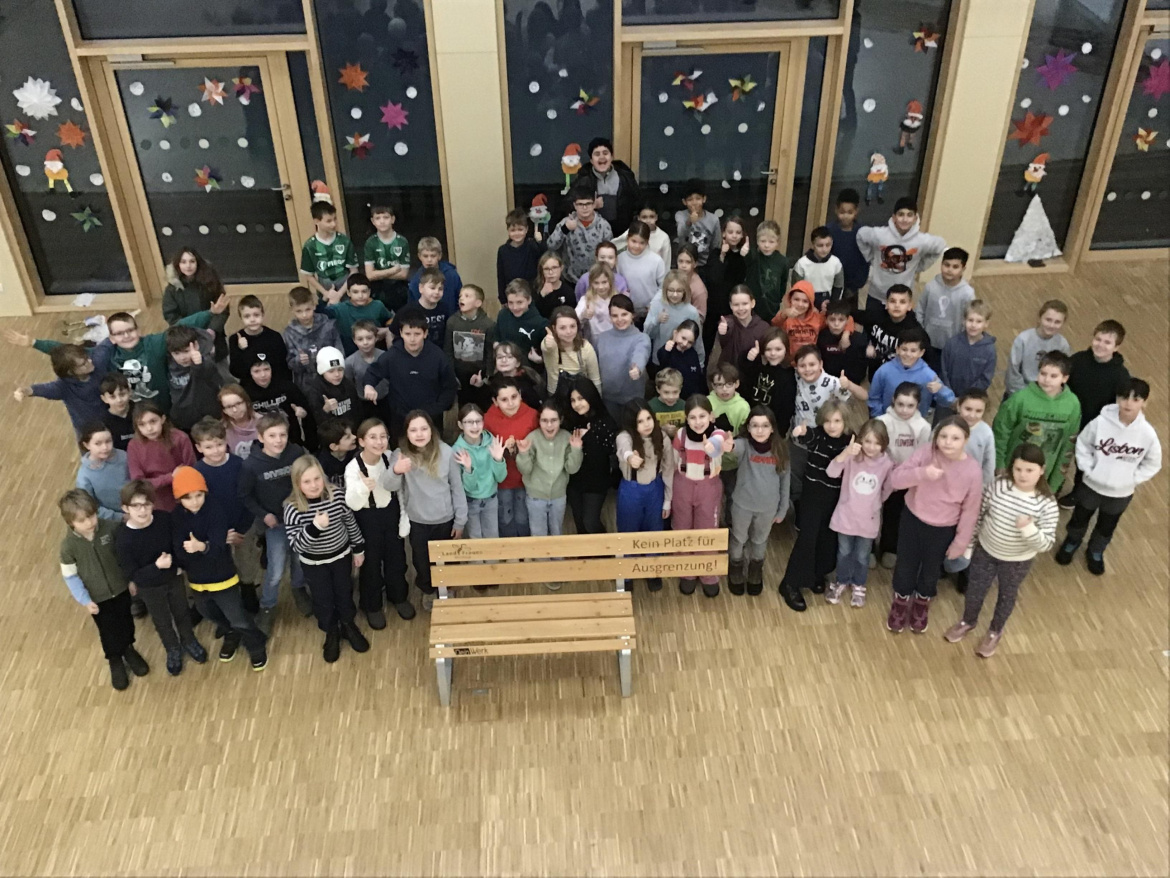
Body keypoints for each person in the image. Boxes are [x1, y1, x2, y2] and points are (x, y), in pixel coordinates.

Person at [944, 444, 1059, 658]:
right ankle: (967, 621)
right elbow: (980, 515)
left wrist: (1029, 529)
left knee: (1007, 595)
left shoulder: (1046, 504)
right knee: (975, 590)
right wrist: (970, 545)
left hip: (1017, 561)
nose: (1023, 475)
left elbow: (1045, 544)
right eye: (1018, 469)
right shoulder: (998, 486)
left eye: (1029, 470)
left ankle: (995, 632)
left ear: (1042, 470)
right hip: (986, 551)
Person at [15, 306, 220, 411]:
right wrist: (34, 342)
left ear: (138, 330)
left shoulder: (153, 344)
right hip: (131, 413)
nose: (126, 336)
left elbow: (180, 326)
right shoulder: (105, 354)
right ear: (111, 338)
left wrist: (209, 313)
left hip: (165, 407)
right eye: (120, 333)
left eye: (130, 330)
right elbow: (68, 351)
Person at [885, 417, 982, 634]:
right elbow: (896, 479)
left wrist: (961, 542)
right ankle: (901, 601)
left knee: (931, 569)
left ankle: (922, 602)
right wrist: (922, 473)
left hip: (943, 529)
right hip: (913, 520)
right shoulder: (925, 453)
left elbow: (970, 510)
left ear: (965, 440)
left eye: (955, 438)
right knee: (906, 565)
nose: (948, 442)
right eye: (943, 436)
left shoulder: (972, 470)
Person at [1056, 378, 1161, 575]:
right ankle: (1072, 541)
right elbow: (1083, 445)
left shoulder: (1147, 434)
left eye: (1136, 399)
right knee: (1080, 517)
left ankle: (1096, 551)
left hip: (1121, 493)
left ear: (1144, 402)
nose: (1128, 403)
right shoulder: (1099, 423)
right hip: (1091, 486)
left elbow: (1153, 463)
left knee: (1107, 525)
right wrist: (1089, 469)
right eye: (1124, 397)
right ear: (1117, 398)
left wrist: (1131, 479)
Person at [171, 466, 267, 670]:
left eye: (198, 495)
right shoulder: (176, 517)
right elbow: (179, 550)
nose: (195, 501)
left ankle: (256, 644)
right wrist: (199, 550)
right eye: (188, 497)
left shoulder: (215, 510)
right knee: (209, 612)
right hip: (197, 580)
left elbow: (217, 548)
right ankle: (232, 632)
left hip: (222, 577)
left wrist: (200, 547)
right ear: (179, 499)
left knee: (237, 616)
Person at [57, 489, 148, 690]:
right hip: (97, 598)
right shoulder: (68, 547)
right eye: (82, 520)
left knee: (126, 621)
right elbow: (70, 577)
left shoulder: (111, 529)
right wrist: (85, 600)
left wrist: (130, 580)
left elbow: (124, 557)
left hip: (121, 589)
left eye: (91, 516)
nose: (89, 522)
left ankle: (128, 648)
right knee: (107, 630)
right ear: (70, 522)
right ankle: (115, 658)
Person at [283, 455, 369, 662]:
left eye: (317, 479)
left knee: (344, 592)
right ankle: (331, 631)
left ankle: (347, 624)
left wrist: (358, 548)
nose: (313, 485)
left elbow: (349, 522)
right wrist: (314, 528)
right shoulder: (292, 508)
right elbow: (297, 545)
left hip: (341, 557)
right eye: (306, 481)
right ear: (297, 484)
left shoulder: (336, 495)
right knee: (323, 598)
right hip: (314, 565)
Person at [115, 479, 205, 675]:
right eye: (136, 506)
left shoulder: (164, 520)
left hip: (173, 578)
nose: (142, 510)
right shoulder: (122, 539)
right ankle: (172, 649)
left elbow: (178, 545)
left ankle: (189, 640)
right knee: (162, 620)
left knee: (182, 612)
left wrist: (178, 565)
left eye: (146, 504)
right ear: (125, 508)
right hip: (150, 588)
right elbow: (133, 574)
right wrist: (157, 567)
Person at [238, 413, 311, 634]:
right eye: (272, 435)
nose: (278, 440)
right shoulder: (251, 465)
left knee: (300, 559)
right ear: (261, 437)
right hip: (275, 525)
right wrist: (264, 515)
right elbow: (245, 496)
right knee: (276, 569)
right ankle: (267, 605)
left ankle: (298, 588)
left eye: (282, 435)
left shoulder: (296, 453)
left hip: (300, 518)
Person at [778, 399, 853, 611]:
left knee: (827, 536)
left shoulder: (850, 439)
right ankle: (790, 583)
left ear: (845, 422)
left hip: (835, 496)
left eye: (837, 421)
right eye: (827, 421)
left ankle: (816, 573)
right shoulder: (818, 435)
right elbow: (806, 434)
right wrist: (800, 431)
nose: (832, 425)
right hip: (813, 494)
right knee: (808, 537)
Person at [391, 410, 467, 612]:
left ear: (431, 430)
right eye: (413, 430)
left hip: (445, 519)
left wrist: (460, 520)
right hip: (418, 521)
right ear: (406, 433)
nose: (419, 434)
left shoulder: (446, 452)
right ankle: (428, 589)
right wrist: (396, 470)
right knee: (422, 561)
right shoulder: (400, 455)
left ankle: (447, 587)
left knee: (449, 559)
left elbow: (457, 488)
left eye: (424, 428)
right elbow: (389, 485)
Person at [344, 418, 414, 626]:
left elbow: (400, 490)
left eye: (383, 436)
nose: (379, 441)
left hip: (391, 514)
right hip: (368, 519)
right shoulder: (353, 468)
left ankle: (398, 596)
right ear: (361, 441)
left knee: (397, 559)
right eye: (373, 437)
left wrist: (404, 518)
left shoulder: (390, 457)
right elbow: (352, 504)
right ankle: (371, 605)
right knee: (371, 565)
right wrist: (363, 488)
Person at [192, 417, 261, 614]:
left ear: (226, 442)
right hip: (216, 532)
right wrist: (220, 533)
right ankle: (228, 599)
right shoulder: (197, 472)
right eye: (209, 447)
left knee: (246, 562)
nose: (215, 450)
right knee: (222, 565)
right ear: (199, 447)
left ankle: (248, 590)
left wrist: (241, 529)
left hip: (243, 526)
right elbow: (201, 507)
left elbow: (248, 497)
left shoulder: (239, 464)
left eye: (219, 444)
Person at [825, 420, 894, 608]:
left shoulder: (887, 464)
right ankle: (841, 580)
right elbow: (831, 472)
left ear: (884, 443)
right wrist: (846, 453)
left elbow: (888, 488)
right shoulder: (852, 457)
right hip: (846, 516)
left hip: (868, 521)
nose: (871, 447)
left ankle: (859, 584)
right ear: (860, 440)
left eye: (877, 443)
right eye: (867, 441)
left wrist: (875, 504)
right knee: (844, 552)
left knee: (862, 556)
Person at [1063, 319, 1131, 506]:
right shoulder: (1077, 360)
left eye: (1107, 342)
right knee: (1061, 456)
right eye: (1098, 339)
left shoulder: (1121, 376)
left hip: (1095, 429)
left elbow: (1119, 408)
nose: (1100, 345)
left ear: (1116, 347)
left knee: (1083, 463)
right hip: (1069, 421)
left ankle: (1078, 493)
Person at [362, 311, 458, 442]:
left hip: (430, 418)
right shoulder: (392, 355)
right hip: (400, 418)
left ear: (425, 333)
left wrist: (435, 409)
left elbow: (450, 387)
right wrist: (369, 386)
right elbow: (373, 372)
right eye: (407, 334)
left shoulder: (438, 357)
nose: (412, 339)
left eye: (417, 334)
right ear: (401, 333)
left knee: (433, 452)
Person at [993, 351, 1080, 495]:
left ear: (1065, 378)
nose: (1046, 379)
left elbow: (1068, 445)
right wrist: (1000, 464)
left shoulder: (1073, 404)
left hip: (1043, 476)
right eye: (1043, 373)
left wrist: (1055, 482)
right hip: (1013, 470)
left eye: (1053, 376)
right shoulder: (1019, 399)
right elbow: (1001, 432)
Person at [670, 395, 731, 597]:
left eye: (702, 416)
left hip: (708, 487)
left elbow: (718, 443)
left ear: (711, 416)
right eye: (693, 417)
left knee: (707, 529)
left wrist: (712, 446)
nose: (698, 422)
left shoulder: (717, 434)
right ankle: (687, 571)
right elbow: (672, 462)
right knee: (682, 528)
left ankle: (708, 573)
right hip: (683, 485)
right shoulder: (680, 435)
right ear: (686, 419)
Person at [727, 407, 789, 597]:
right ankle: (735, 568)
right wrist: (727, 445)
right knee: (738, 538)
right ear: (748, 428)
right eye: (755, 425)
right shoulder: (744, 445)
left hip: (768, 509)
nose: (760, 430)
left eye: (765, 426)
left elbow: (785, 481)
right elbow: (733, 447)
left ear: (772, 428)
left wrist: (783, 509)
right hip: (742, 506)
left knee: (760, 540)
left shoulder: (780, 449)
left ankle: (755, 570)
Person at [616, 400, 676, 589]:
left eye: (648, 418)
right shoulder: (625, 437)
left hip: (655, 489)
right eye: (640, 421)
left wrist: (667, 500)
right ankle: (626, 574)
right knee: (627, 531)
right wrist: (630, 457)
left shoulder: (662, 438)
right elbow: (623, 449)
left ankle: (652, 570)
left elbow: (668, 469)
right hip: (631, 489)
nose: (646, 424)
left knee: (654, 530)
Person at [855, 196, 946, 314]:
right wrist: (871, 258)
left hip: (902, 298)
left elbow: (940, 246)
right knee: (871, 323)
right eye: (901, 214)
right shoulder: (880, 235)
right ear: (894, 217)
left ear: (915, 218)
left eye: (909, 215)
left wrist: (919, 266)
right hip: (876, 294)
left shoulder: (921, 241)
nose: (905, 219)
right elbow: (861, 235)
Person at [876, 382, 932, 568]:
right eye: (900, 404)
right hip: (881, 474)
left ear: (918, 405)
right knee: (871, 510)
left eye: (910, 406)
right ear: (893, 400)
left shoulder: (923, 427)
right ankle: (868, 547)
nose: (904, 410)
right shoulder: (882, 422)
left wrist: (906, 474)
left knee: (895, 513)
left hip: (904, 479)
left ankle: (889, 547)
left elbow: (922, 456)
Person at [516, 400, 584, 549]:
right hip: (536, 497)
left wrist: (576, 450)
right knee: (538, 534)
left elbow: (572, 469)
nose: (549, 425)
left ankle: (557, 560)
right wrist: (523, 454)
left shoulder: (566, 437)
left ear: (561, 420)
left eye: (553, 420)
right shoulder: (532, 438)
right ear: (539, 421)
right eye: (544, 421)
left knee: (556, 532)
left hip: (558, 496)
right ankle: (541, 561)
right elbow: (525, 470)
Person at [451, 405, 508, 584]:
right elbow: (468, 487)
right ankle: (479, 575)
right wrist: (468, 469)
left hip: (491, 498)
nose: (475, 426)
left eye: (478, 421)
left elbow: (501, 477)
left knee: (492, 535)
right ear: (461, 425)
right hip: (471, 501)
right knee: (475, 537)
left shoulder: (493, 442)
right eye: (469, 422)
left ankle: (493, 572)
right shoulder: (456, 450)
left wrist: (498, 459)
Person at [484, 376, 539, 538]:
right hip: (502, 480)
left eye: (514, 397)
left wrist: (523, 448)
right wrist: (503, 451)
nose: (510, 403)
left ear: (520, 395)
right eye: (504, 399)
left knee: (523, 517)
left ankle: (525, 549)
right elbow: (484, 449)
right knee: (505, 518)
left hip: (526, 478)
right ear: (495, 401)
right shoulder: (488, 420)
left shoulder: (532, 415)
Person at [12, 343, 104, 437]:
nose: (90, 361)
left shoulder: (98, 362)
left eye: (87, 357)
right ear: (70, 372)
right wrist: (25, 391)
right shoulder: (63, 387)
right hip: (90, 432)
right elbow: (44, 389)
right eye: (83, 364)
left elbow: (107, 345)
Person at [565, 376, 617, 536]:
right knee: (580, 523)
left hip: (596, 481)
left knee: (590, 522)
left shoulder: (605, 421)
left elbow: (607, 452)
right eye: (573, 400)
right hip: (575, 480)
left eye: (581, 398)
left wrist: (589, 436)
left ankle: (605, 549)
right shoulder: (570, 421)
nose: (577, 404)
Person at [867, 326, 954, 417]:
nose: (908, 354)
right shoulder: (884, 371)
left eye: (913, 351)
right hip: (888, 421)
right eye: (904, 349)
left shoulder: (928, 375)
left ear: (921, 353)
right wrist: (880, 418)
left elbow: (948, 401)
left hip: (915, 424)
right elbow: (873, 399)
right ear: (897, 349)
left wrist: (940, 389)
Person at [162, 247, 229, 363]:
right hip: (186, 339)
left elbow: (222, 309)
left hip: (213, 335)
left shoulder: (211, 282)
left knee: (219, 367)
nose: (188, 266)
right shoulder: (172, 290)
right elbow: (171, 317)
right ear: (178, 265)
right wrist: (189, 334)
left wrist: (212, 330)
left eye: (192, 261)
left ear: (198, 263)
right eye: (183, 262)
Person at [127, 402, 195, 512]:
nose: (149, 428)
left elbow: (191, 470)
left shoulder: (180, 438)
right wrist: (170, 477)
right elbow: (139, 484)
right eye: (142, 424)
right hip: (155, 503)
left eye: (153, 421)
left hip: (184, 499)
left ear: (162, 419)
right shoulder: (134, 445)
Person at [914, 247, 973, 371]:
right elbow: (920, 309)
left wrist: (961, 342)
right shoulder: (930, 286)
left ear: (963, 269)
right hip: (928, 342)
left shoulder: (967, 293)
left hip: (952, 345)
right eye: (946, 265)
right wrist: (920, 333)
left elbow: (969, 319)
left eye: (955, 267)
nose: (950, 270)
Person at [596, 295, 651, 421]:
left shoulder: (641, 338)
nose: (620, 319)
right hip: (607, 399)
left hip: (632, 399)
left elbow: (640, 353)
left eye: (624, 314)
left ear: (632, 315)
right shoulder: (602, 338)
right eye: (615, 316)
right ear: (610, 317)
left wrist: (637, 368)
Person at [938, 299, 996, 421]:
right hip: (947, 401)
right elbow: (943, 371)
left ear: (986, 323)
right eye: (970, 320)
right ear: (964, 321)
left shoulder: (989, 350)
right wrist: (951, 398)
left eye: (979, 321)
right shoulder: (952, 344)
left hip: (971, 404)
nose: (973, 325)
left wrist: (965, 399)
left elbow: (985, 379)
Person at [243, 352, 313, 450]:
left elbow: (307, 413)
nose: (263, 375)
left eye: (266, 369)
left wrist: (302, 412)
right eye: (257, 371)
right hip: (262, 443)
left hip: (291, 440)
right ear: (250, 373)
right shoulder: (245, 393)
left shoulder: (287, 386)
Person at [852, 283, 922, 380]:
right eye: (892, 301)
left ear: (910, 306)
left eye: (902, 302)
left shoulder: (915, 331)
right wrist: (866, 344)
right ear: (886, 304)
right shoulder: (876, 316)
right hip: (876, 372)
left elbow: (926, 360)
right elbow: (850, 313)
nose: (897, 305)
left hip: (899, 377)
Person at [444, 284, 496, 411]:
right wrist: (451, 374)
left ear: (478, 303)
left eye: (467, 296)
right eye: (460, 296)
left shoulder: (488, 324)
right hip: (460, 374)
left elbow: (490, 352)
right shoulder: (452, 322)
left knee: (482, 406)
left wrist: (487, 376)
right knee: (463, 407)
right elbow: (448, 350)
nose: (461, 298)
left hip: (480, 373)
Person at [548, 186, 614, 285]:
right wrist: (565, 229)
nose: (584, 208)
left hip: (597, 280)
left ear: (594, 204)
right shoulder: (566, 222)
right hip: (571, 280)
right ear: (575, 205)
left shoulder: (604, 226)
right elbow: (551, 246)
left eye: (588, 203)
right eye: (580, 204)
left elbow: (610, 253)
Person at [1004, 299, 1071, 397]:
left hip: (1046, 395)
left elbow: (1063, 372)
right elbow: (1013, 372)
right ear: (1040, 318)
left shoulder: (1063, 345)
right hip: (1020, 393)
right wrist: (1024, 396)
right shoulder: (1023, 340)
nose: (1051, 325)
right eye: (1048, 320)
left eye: (1057, 322)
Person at [574, 136, 640, 236]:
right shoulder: (583, 179)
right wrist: (592, 206)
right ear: (591, 160)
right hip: (594, 235)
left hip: (623, 234)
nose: (602, 157)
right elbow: (568, 206)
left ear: (612, 157)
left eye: (605, 153)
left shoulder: (625, 176)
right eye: (597, 154)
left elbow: (637, 203)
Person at [703, 216, 749, 357]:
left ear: (742, 235)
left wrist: (746, 256)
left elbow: (743, 279)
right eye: (730, 232)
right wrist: (722, 255)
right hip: (713, 306)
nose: (734, 236)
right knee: (706, 342)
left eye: (738, 232)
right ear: (724, 233)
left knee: (731, 344)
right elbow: (714, 278)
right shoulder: (715, 253)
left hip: (731, 307)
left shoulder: (744, 255)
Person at [283, 285, 343, 392]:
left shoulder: (328, 326)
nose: (304, 315)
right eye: (299, 311)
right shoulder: (289, 333)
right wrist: (299, 360)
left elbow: (340, 352)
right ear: (292, 310)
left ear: (314, 305)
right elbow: (289, 363)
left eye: (308, 309)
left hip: (331, 379)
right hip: (306, 384)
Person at [708, 363, 750, 511]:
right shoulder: (707, 402)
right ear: (713, 386)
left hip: (732, 462)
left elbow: (745, 436)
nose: (724, 389)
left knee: (732, 493)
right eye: (719, 385)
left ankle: (730, 519)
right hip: (710, 461)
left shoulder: (743, 407)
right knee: (711, 495)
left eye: (729, 384)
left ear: (736, 384)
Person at [165, 325, 222, 433]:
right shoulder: (170, 363)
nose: (182, 357)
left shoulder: (206, 361)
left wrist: (198, 363)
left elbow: (207, 370)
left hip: (207, 420)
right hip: (182, 419)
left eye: (186, 351)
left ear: (196, 345)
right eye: (176, 353)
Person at [741, 328, 797, 435]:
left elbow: (786, 409)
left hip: (774, 429)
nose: (773, 353)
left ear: (786, 350)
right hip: (752, 423)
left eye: (778, 349)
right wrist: (749, 359)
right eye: (768, 349)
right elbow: (746, 378)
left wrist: (779, 432)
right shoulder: (758, 367)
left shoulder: (789, 376)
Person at [320, 274, 392, 357]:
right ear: (348, 293)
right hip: (349, 353)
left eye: (364, 291)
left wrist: (386, 329)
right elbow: (320, 313)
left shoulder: (377, 306)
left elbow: (390, 320)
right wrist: (324, 300)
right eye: (355, 292)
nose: (360, 296)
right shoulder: (340, 308)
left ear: (369, 292)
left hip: (376, 351)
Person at [646, 270, 706, 367]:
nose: (675, 295)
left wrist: (700, 364)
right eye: (671, 290)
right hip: (659, 359)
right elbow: (647, 333)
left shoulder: (691, 312)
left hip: (681, 360)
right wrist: (657, 320)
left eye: (679, 291)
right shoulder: (657, 306)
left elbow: (697, 340)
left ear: (685, 291)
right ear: (665, 290)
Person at [299, 201, 358, 299]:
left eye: (335, 219)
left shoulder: (344, 241)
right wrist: (326, 293)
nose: (333, 224)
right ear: (316, 221)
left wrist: (339, 294)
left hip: (346, 286)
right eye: (328, 221)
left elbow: (354, 270)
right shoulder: (310, 246)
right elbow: (309, 275)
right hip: (324, 288)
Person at [228, 295, 290, 384]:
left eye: (256, 315)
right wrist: (241, 350)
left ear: (262, 315)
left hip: (274, 384)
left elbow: (283, 367)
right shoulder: (235, 339)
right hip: (249, 386)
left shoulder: (274, 336)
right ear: (241, 318)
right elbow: (236, 371)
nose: (252, 320)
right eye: (247, 316)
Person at [542, 306, 602, 397]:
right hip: (556, 397)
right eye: (562, 328)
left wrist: (597, 400)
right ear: (554, 328)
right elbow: (547, 347)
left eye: (572, 326)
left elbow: (595, 380)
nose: (569, 331)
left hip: (581, 397)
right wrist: (549, 344)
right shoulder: (550, 343)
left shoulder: (585, 347)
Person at [76, 422, 130, 520]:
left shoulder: (123, 456)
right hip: (114, 521)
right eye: (98, 443)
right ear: (86, 445)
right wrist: (120, 517)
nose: (105, 447)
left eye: (108, 441)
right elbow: (89, 506)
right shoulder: (84, 476)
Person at [362, 203, 411, 311]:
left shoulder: (402, 242)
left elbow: (403, 274)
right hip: (378, 289)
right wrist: (393, 270)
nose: (382, 221)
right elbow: (369, 275)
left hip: (399, 287)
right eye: (378, 218)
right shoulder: (370, 243)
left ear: (392, 219)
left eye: (386, 217)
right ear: (373, 221)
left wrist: (378, 273)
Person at [617, 220, 667, 320]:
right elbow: (616, 283)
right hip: (626, 312)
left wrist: (654, 304)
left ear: (647, 242)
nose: (637, 246)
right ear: (627, 239)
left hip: (651, 311)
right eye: (634, 241)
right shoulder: (619, 259)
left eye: (642, 243)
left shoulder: (656, 261)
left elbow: (663, 287)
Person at [789, 225, 844, 313]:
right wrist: (808, 306)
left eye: (828, 245)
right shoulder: (802, 264)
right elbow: (796, 288)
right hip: (806, 300)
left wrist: (832, 305)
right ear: (813, 245)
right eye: (820, 245)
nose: (824, 249)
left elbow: (838, 287)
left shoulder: (836, 263)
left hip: (827, 301)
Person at [475, 341, 544, 410]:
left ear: (518, 363)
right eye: (499, 357)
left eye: (509, 357)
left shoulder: (526, 383)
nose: (504, 360)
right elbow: (488, 406)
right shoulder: (496, 379)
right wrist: (481, 386)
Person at [828, 188, 868, 305]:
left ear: (856, 211)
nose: (845, 216)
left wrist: (856, 286)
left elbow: (865, 262)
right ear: (836, 210)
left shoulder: (862, 233)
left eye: (850, 213)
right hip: (830, 285)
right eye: (842, 212)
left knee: (850, 314)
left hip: (852, 287)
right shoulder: (829, 231)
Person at [716, 286, 772, 369]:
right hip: (727, 372)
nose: (740, 308)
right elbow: (724, 340)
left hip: (751, 372)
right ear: (731, 305)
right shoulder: (727, 323)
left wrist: (759, 355)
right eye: (736, 305)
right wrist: (723, 332)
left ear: (752, 303)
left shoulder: (763, 327)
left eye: (745, 304)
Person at [497, 208, 545, 304]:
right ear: (508, 231)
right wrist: (503, 299)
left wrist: (540, 242)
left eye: (520, 229)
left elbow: (544, 258)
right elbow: (501, 276)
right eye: (513, 230)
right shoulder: (503, 251)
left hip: (532, 294)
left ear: (526, 229)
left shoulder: (532, 246)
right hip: (512, 295)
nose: (517, 233)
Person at [745, 220, 789, 323]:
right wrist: (745, 253)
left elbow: (783, 284)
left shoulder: (783, 262)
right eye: (763, 241)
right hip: (753, 307)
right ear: (757, 241)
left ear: (777, 242)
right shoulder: (753, 256)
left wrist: (777, 300)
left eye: (771, 242)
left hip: (772, 307)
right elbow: (746, 261)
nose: (766, 245)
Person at [345, 320, 388, 423]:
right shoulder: (350, 362)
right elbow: (349, 385)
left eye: (369, 338)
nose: (365, 342)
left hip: (386, 401)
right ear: (354, 340)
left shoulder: (386, 357)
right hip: (363, 404)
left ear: (376, 337)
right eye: (360, 339)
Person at [307, 346, 360, 430]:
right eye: (331, 371)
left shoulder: (348, 385)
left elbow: (357, 412)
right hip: (331, 434)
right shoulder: (315, 391)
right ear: (322, 372)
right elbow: (314, 423)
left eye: (340, 369)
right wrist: (325, 410)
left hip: (351, 431)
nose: (337, 374)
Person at [496, 279, 548, 364]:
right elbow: (497, 336)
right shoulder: (503, 315)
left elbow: (550, 353)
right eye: (510, 302)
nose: (515, 307)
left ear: (529, 300)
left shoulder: (540, 323)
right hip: (505, 366)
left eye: (519, 302)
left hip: (528, 368)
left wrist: (540, 360)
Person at [407, 236, 462, 315]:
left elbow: (460, 299)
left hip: (452, 318)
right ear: (419, 256)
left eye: (433, 256)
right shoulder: (415, 281)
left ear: (439, 256)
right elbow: (412, 309)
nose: (429, 260)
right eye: (425, 256)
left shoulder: (452, 275)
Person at [674, 179, 720, 271]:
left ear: (704, 199)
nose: (694, 203)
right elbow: (681, 235)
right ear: (684, 202)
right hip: (685, 264)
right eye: (690, 200)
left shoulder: (713, 219)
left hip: (705, 265)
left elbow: (716, 246)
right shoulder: (680, 215)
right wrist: (689, 222)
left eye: (698, 199)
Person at [771, 281, 824, 361]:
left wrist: (845, 333)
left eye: (805, 301)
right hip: (789, 362)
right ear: (790, 300)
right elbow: (774, 324)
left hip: (809, 362)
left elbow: (835, 323)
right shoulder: (785, 316)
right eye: (796, 299)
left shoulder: (817, 318)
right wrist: (784, 314)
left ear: (810, 303)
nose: (800, 304)